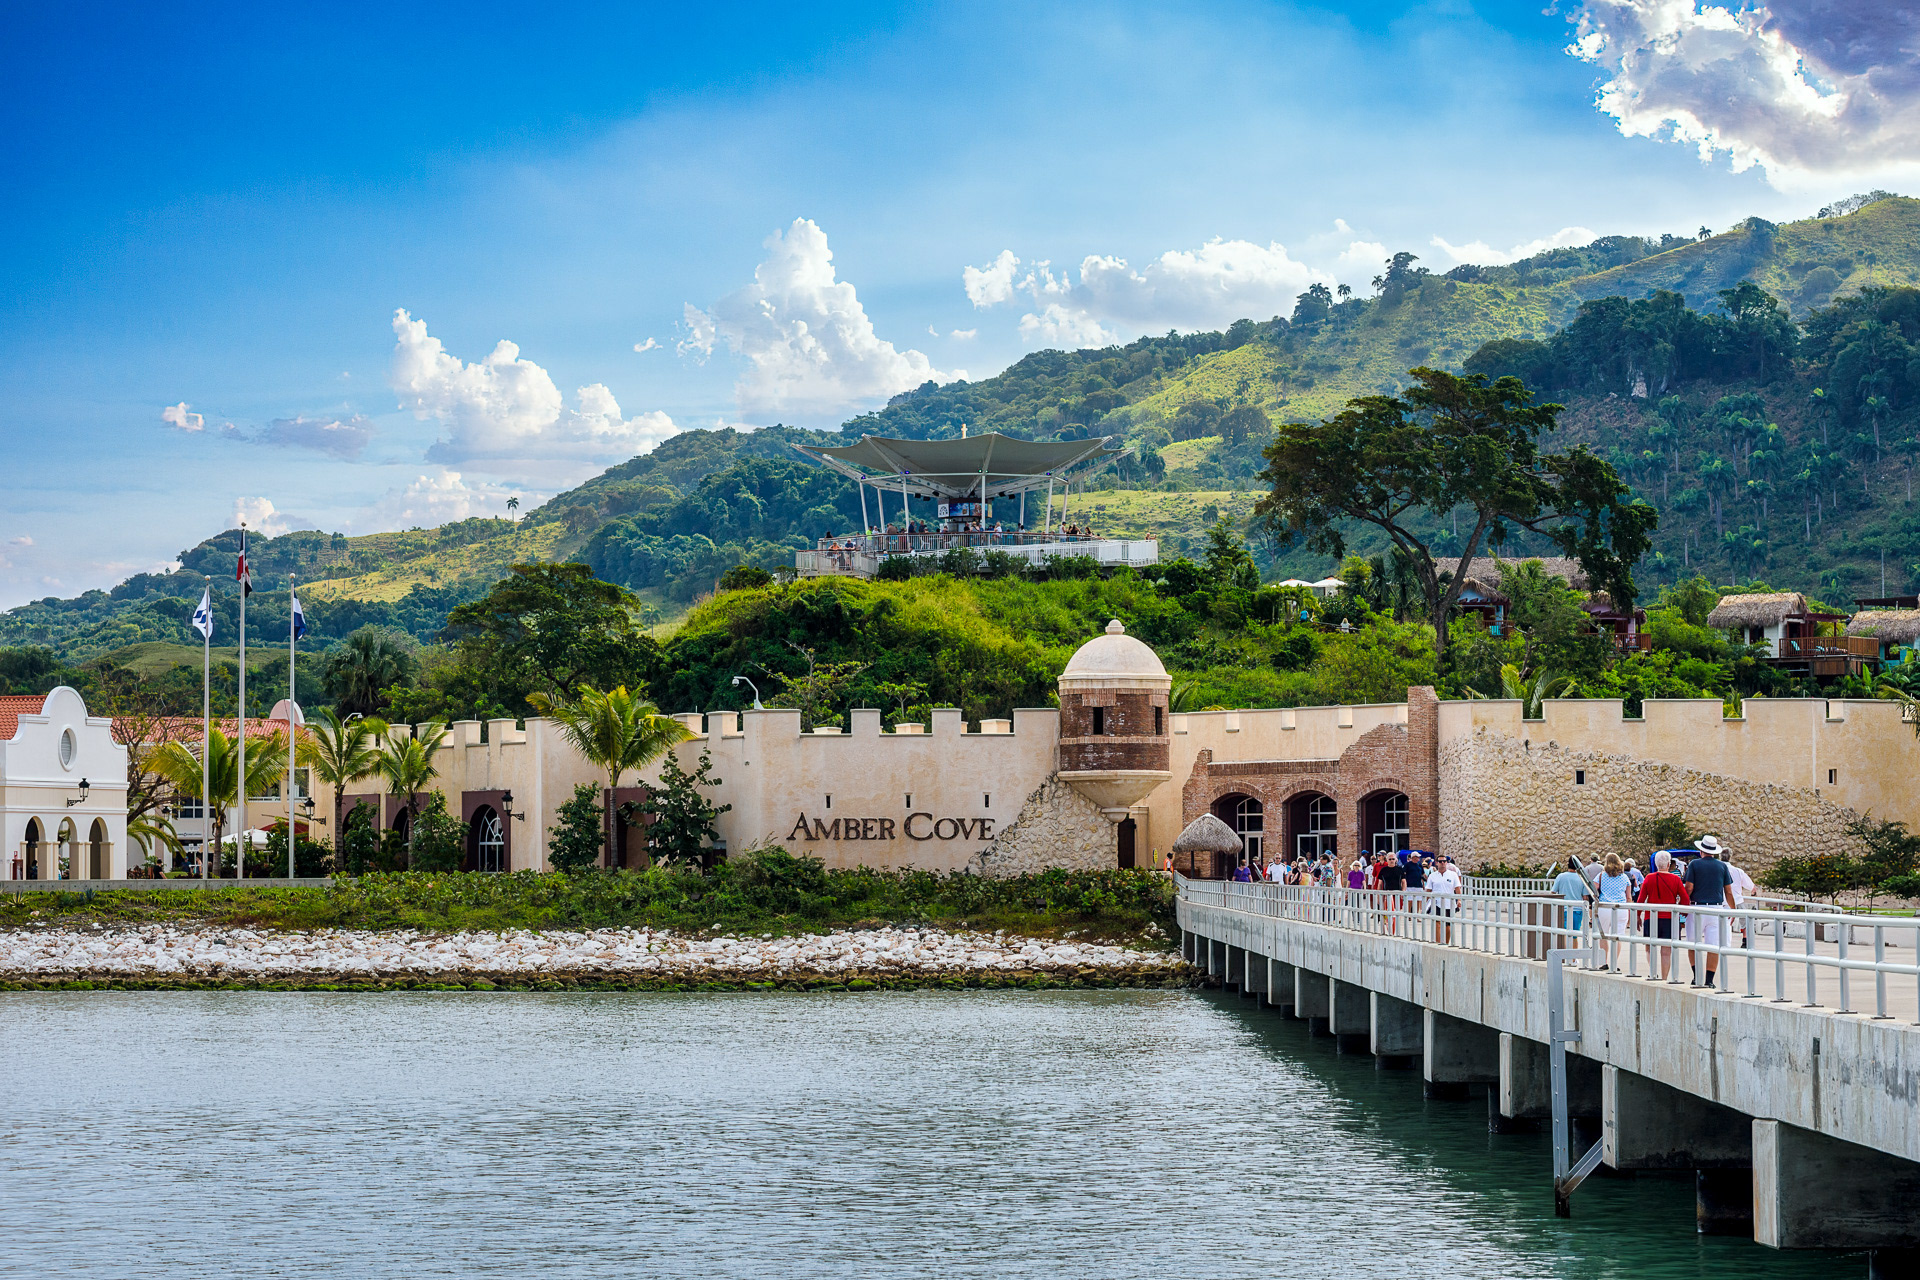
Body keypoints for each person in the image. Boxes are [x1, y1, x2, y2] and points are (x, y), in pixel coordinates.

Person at [1684, 836, 1735, 986]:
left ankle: (1696, 976)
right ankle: (1709, 980)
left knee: (1692, 943)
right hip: (1716, 908)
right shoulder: (1722, 866)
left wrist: (1683, 905)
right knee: (1713, 946)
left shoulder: (1694, 864)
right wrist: (1733, 910)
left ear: (1701, 850)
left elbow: (1689, 887)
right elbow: (1729, 892)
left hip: (1697, 907)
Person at [1636, 850, 1690, 981]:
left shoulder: (1649, 878)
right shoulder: (1676, 879)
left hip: (1651, 917)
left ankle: (1653, 974)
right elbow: (1685, 899)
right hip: (1670, 919)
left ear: (1656, 863)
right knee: (1666, 951)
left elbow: (1641, 899)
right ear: (1668, 864)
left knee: (1650, 947)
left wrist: (1637, 915)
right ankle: (1665, 978)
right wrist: (1683, 912)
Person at [1595, 853, 1634, 971]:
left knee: (1603, 936)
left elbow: (1594, 887)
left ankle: (1604, 962)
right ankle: (1614, 963)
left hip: (1605, 907)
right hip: (1620, 908)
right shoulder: (1625, 877)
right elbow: (1628, 897)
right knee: (1617, 936)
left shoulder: (1601, 875)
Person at [1552, 857, 1593, 939]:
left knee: (1563, 934)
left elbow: (1553, 892)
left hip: (1562, 909)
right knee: (1574, 936)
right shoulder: (1582, 878)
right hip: (1577, 910)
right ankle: (1573, 951)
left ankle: (1563, 951)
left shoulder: (1560, 876)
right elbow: (1585, 897)